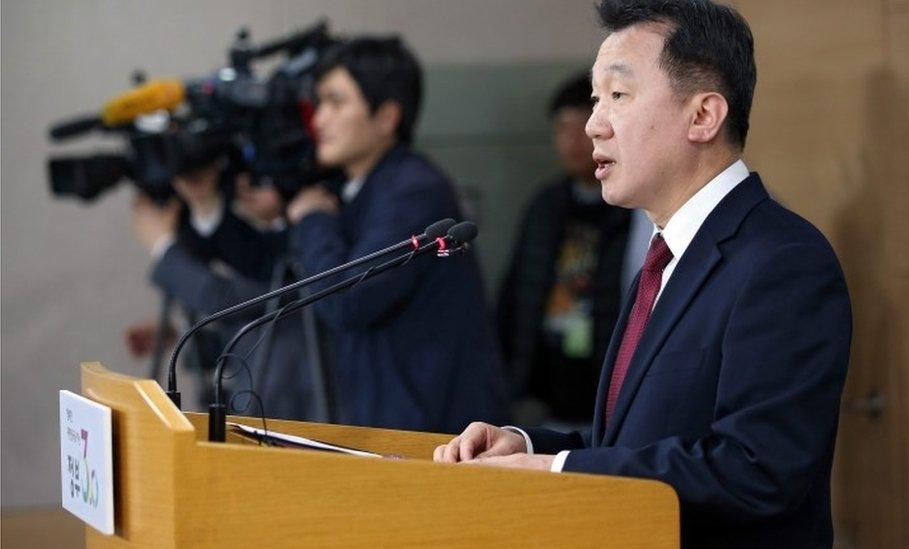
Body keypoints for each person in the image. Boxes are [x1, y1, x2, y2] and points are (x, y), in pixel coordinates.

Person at [434, 2, 852, 547]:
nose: (592, 125)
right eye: (594, 98)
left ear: (703, 116)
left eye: (618, 96)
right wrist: (527, 446)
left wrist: (557, 472)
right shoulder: (668, 252)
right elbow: (639, 438)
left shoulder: (782, 261)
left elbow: (757, 470)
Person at [285, 37, 509, 433]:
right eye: (320, 104)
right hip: (395, 422)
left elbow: (349, 300)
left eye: (336, 103)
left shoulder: (413, 190)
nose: (319, 120)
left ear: (387, 117)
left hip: (434, 433)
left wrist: (313, 220)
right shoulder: (358, 188)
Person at [129, 166, 327, 421]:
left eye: (257, 176)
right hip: (257, 407)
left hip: (294, 413)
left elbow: (231, 298)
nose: (245, 186)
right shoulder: (259, 239)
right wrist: (181, 334)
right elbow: (242, 328)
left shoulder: (315, 227)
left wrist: (163, 246)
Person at [496, 72, 632, 426]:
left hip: (607, 379)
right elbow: (515, 293)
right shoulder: (545, 205)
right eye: (561, 129)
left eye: (579, 128)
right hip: (546, 387)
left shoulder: (631, 206)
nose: (571, 142)